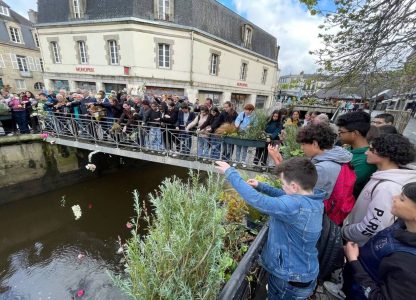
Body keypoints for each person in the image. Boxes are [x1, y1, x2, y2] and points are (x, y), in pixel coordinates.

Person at [215, 157, 325, 300]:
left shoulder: (294, 207)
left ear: (294, 186)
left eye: (283, 184)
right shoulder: (313, 199)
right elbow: (286, 196)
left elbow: (258, 200)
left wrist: (231, 173)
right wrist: (261, 186)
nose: (282, 187)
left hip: (288, 280)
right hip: (304, 272)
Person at [342, 182, 416, 300]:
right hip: (355, 285)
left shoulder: (409, 264)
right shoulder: (402, 224)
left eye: (402, 199)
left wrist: (353, 261)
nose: (394, 198)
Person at [342, 134, 416, 246]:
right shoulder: (387, 177)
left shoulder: (387, 188)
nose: (366, 152)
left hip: (358, 244)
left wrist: (345, 232)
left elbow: (371, 226)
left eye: (372, 150)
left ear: (386, 155)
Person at [336, 111, 377, 198]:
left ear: (355, 133)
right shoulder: (348, 149)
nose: (339, 135)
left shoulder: (366, 160)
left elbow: (342, 184)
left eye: (341, 132)